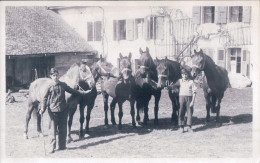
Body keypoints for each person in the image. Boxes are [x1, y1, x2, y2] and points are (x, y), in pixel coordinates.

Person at [39, 67, 91, 153]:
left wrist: (83, 92)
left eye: (56, 75)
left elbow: (72, 91)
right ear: (51, 76)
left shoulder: (63, 85)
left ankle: (62, 146)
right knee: (52, 130)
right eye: (53, 75)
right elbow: (44, 98)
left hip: (63, 110)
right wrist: (42, 109)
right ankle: (51, 148)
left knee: (63, 130)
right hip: (53, 111)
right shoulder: (48, 86)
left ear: (58, 75)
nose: (55, 77)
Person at [174, 65, 197, 133]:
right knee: (181, 111)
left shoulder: (191, 82)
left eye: (186, 74)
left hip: (189, 98)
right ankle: (181, 127)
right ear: (181, 75)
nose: (184, 76)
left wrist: (192, 101)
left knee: (189, 112)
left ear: (188, 75)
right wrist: (170, 87)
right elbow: (174, 86)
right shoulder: (180, 81)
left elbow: (194, 92)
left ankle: (189, 127)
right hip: (181, 98)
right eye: (183, 74)